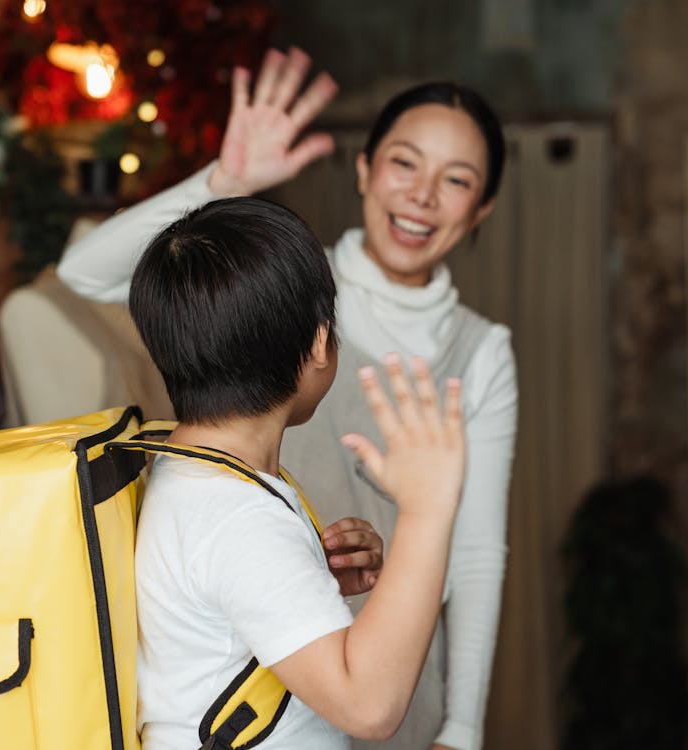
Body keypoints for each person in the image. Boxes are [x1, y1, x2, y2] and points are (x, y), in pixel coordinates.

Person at [58, 48, 516, 750]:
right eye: (405, 163)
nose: (423, 194)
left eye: (456, 179)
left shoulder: (476, 348)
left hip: (362, 653)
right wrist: (223, 185)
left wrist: (461, 726)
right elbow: (87, 275)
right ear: (364, 169)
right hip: (347, 673)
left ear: (481, 207)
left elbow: (476, 555)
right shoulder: (276, 287)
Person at [130, 196, 465, 749]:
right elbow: (369, 706)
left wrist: (310, 582)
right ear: (319, 343)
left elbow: (225, 619)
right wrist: (427, 512)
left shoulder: (194, 476)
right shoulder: (237, 517)